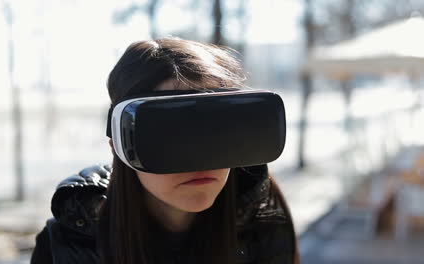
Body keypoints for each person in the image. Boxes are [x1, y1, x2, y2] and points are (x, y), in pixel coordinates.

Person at [31, 37, 300, 264]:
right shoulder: (65, 247)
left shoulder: (264, 227)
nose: (200, 158)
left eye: (217, 132)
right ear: (119, 145)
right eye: (171, 135)